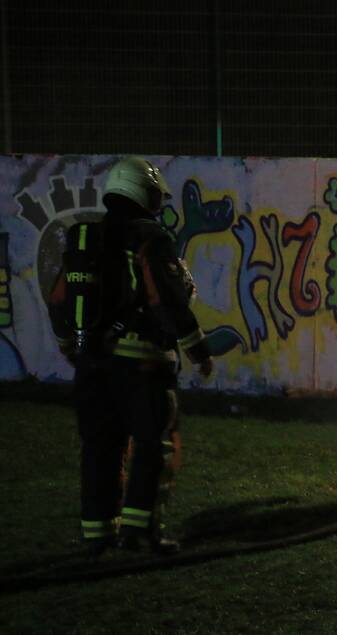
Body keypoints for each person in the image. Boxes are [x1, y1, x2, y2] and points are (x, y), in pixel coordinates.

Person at [48, 156, 213, 556]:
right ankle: (140, 532)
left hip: (92, 366)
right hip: (141, 366)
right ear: (145, 193)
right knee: (152, 446)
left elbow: (59, 299)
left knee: (100, 448)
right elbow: (165, 299)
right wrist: (198, 350)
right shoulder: (149, 238)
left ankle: (97, 535)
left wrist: (72, 347)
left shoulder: (86, 238)